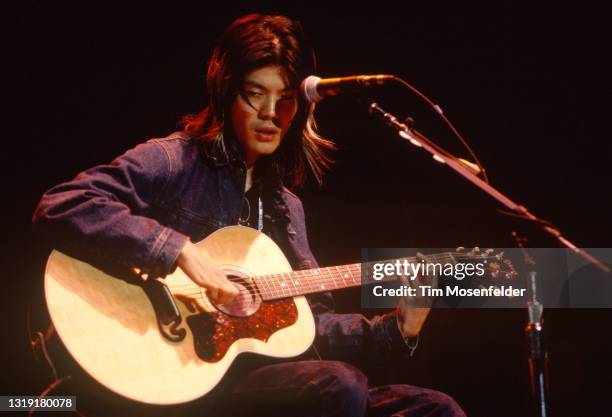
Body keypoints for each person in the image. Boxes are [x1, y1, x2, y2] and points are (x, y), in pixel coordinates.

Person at [33, 14, 466, 417]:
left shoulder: (286, 208)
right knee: (339, 384)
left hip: (255, 381)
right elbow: (64, 203)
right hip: (176, 371)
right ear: (226, 91)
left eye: (286, 100)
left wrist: (397, 329)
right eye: (256, 93)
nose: (271, 114)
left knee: (434, 407)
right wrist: (178, 250)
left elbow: (307, 329)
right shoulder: (172, 161)